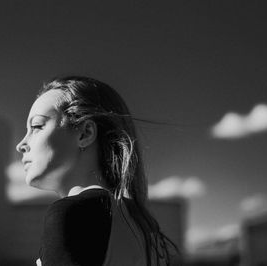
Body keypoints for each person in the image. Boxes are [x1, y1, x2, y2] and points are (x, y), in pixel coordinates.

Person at [16, 76, 177, 266]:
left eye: (36, 126)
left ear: (85, 134)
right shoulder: (146, 228)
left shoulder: (73, 214)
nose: (21, 144)